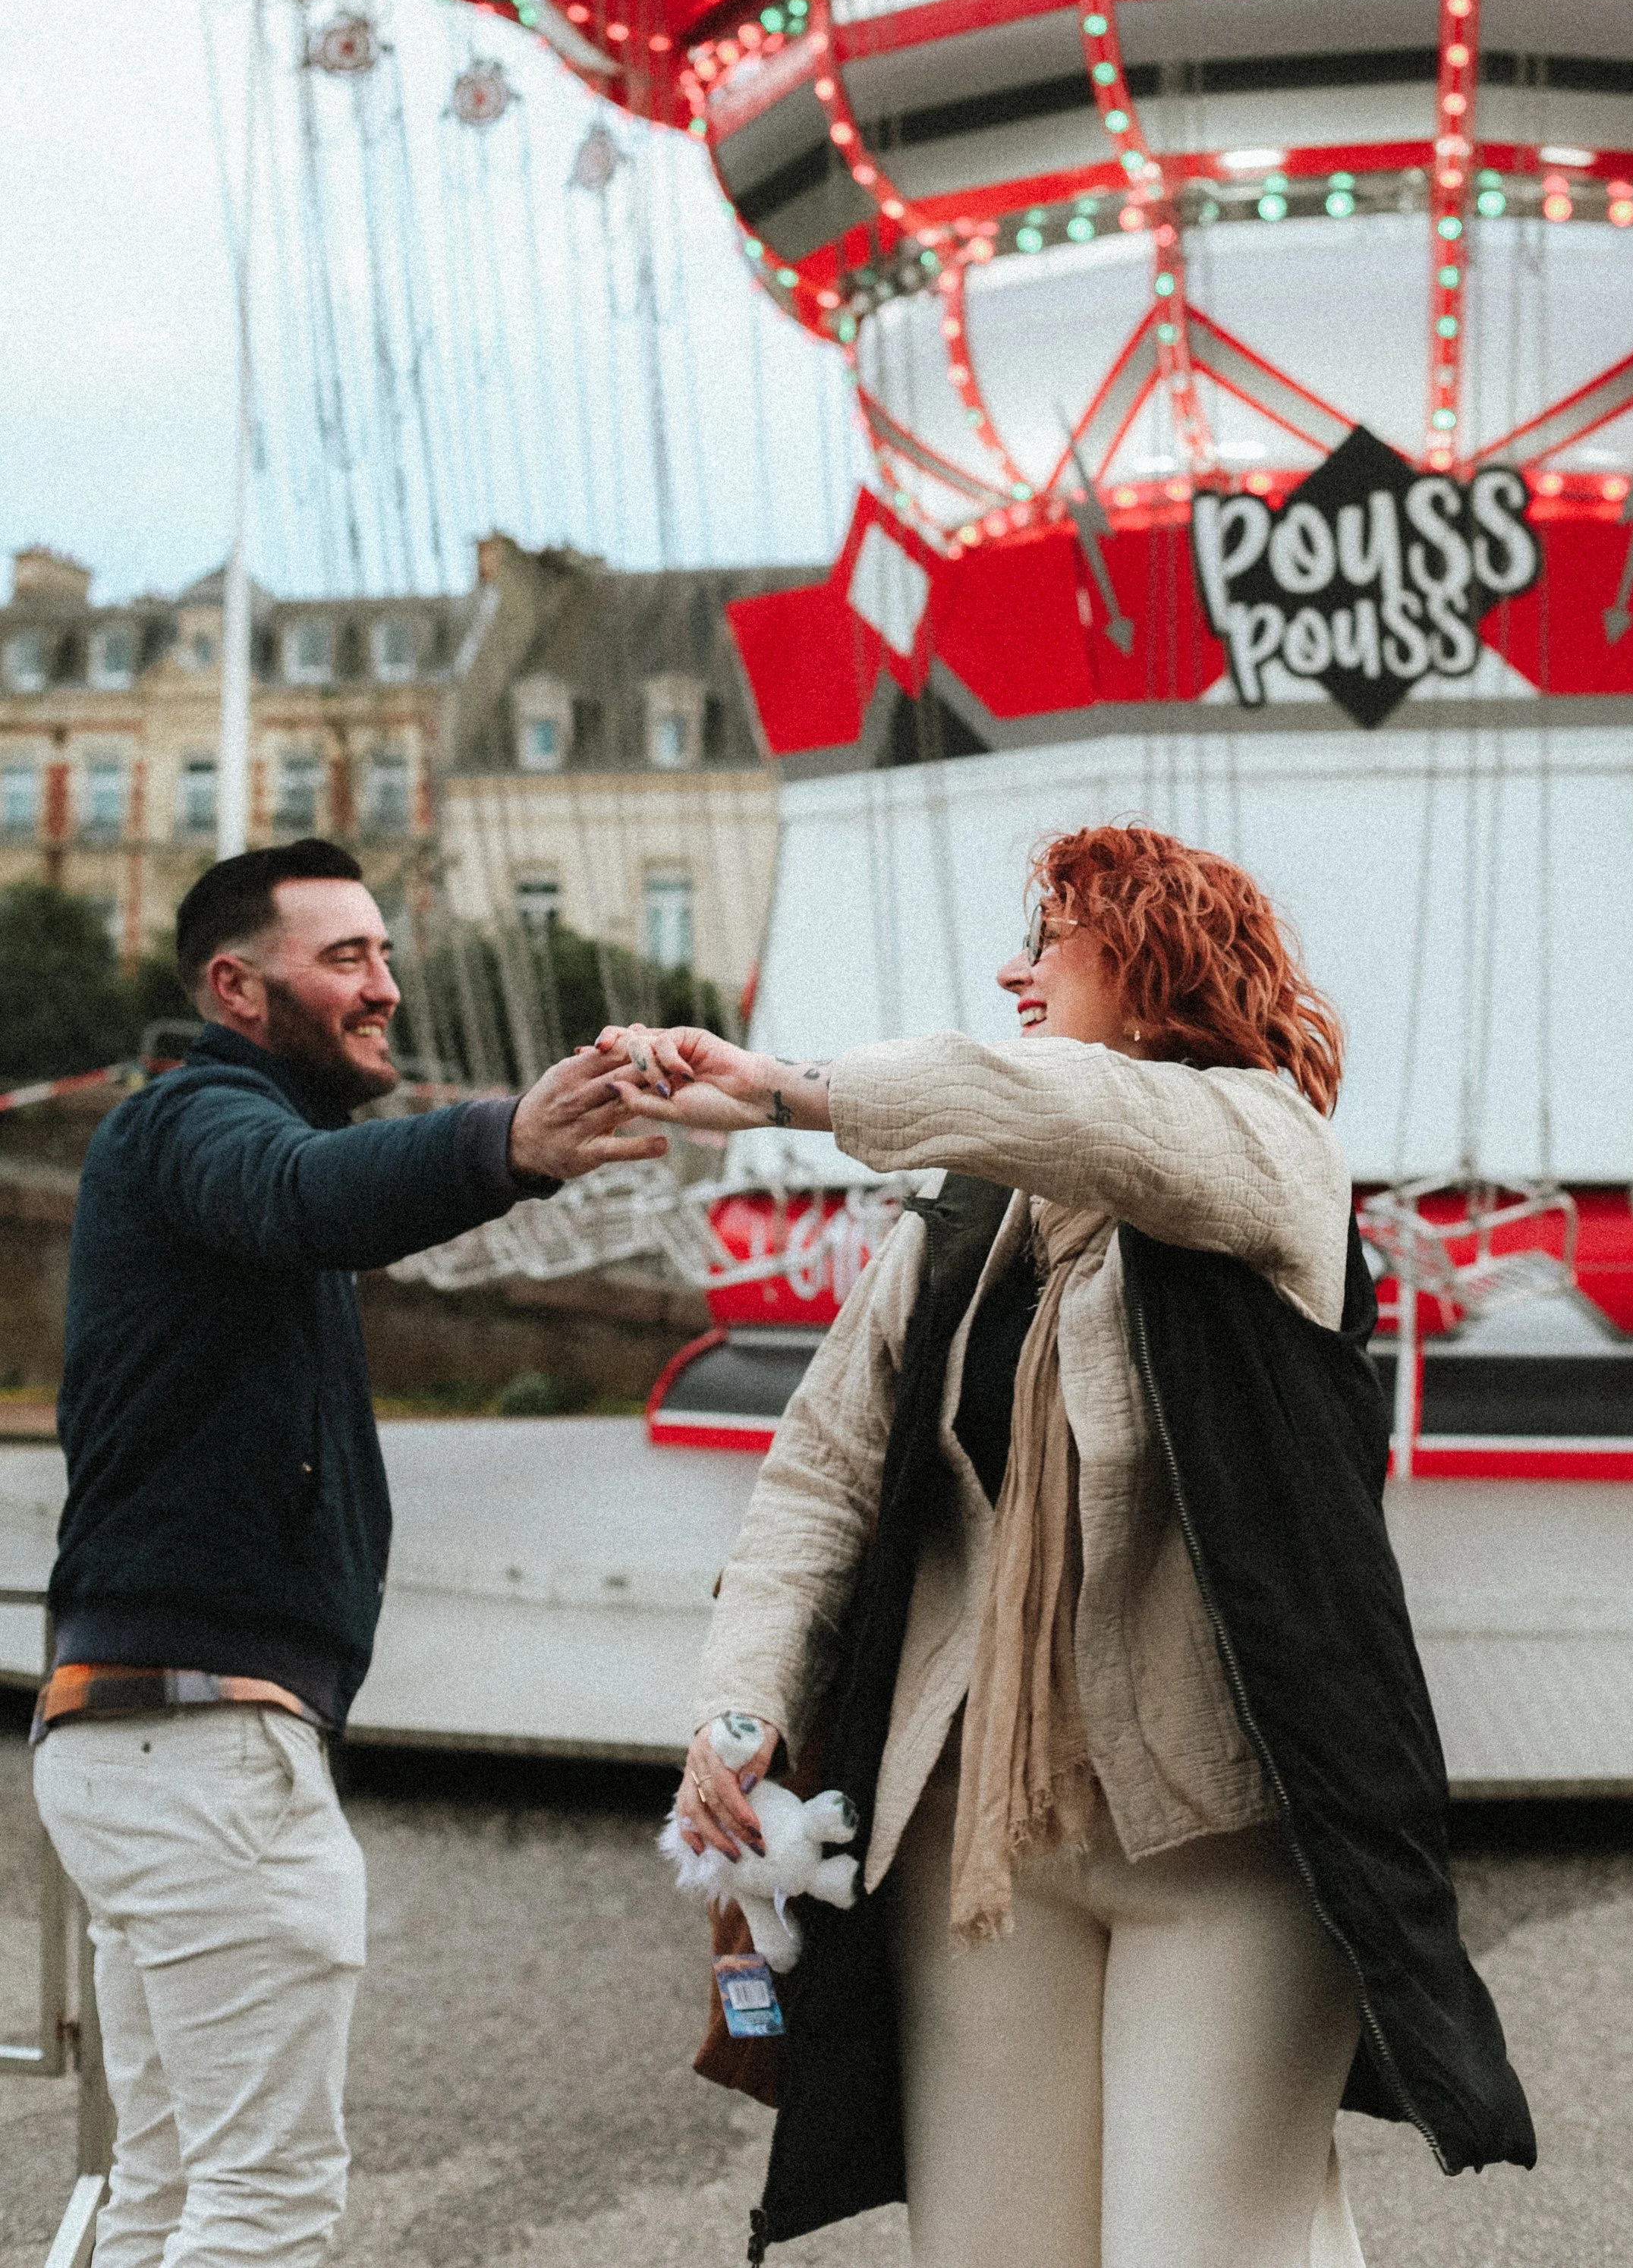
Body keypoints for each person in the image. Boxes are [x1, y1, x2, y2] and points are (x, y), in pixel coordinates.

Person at [602, 823, 1534, 2268]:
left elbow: (1086, 1117)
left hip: (1228, 1838)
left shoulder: (1264, 1149)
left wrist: (787, 1086)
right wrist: (740, 1707)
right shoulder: (966, 1221)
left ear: (1157, 971)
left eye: (1050, 940)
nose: (1013, 968)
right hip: (982, 1834)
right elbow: (821, 1479)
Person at [33, 838, 659, 2268]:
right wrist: (504, 1143)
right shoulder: (193, 1123)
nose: (384, 986)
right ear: (236, 987)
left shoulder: (223, 1163)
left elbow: (317, 1195)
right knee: (263, 2210)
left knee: (168, 2195)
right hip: (204, 1755)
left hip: (139, 1743)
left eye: (385, 952)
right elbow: (308, 1193)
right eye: (346, 959)